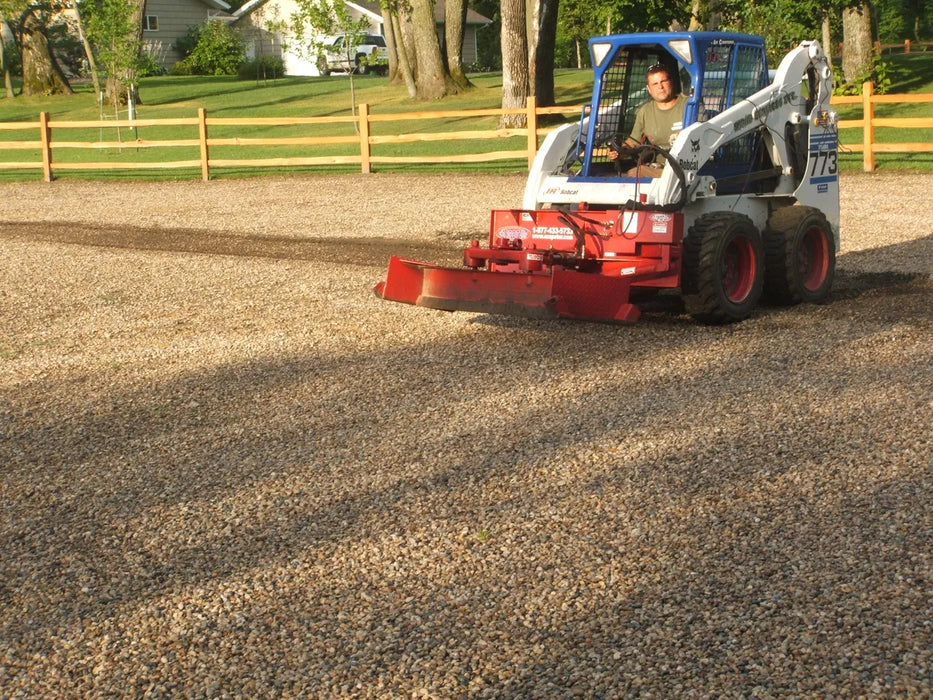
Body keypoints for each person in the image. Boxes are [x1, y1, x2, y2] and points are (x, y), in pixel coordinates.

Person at [612, 64, 688, 177]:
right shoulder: (645, 111)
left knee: (636, 173)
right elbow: (633, 143)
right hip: (658, 167)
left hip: (685, 167)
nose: (660, 87)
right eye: (655, 84)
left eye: (663, 81)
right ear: (649, 89)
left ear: (671, 82)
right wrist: (619, 151)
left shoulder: (688, 105)